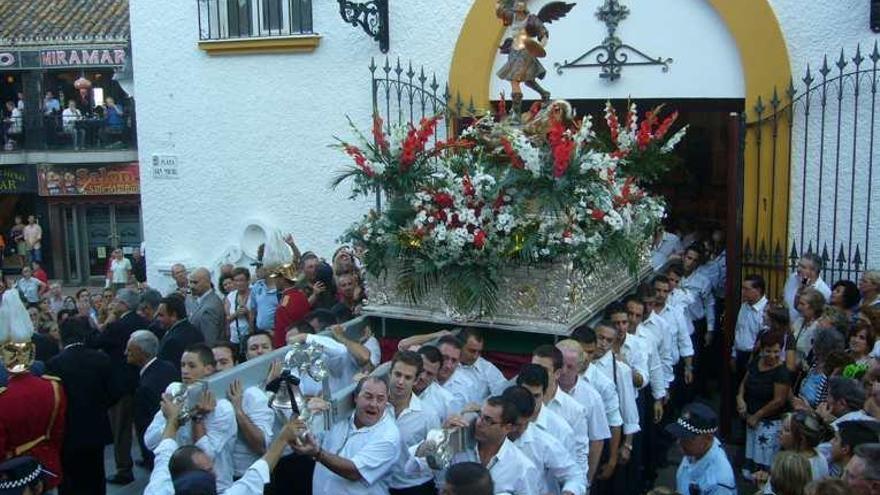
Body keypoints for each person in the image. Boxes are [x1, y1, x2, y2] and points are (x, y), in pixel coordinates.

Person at [144, 396, 302, 495]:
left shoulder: (159, 488)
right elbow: (256, 475)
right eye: (208, 471)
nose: (215, 473)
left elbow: (165, 451)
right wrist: (283, 437)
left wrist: (173, 420)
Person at [144, 344, 238, 492]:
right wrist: (173, 420)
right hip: (179, 486)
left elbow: (206, 457)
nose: (185, 371)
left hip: (216, 487)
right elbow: (149, 441)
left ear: (208, 369)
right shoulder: (175, 394)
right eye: (182, 365)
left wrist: (197, 419)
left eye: (192, 366)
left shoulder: (222, 408)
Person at [0, 289, 66, 490]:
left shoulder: (3, 398)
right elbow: (58, 434)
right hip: (49, 466)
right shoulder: (53, 387)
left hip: (14, 474)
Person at [291, 375, 401, 494]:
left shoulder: (389, 436)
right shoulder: (338, 417)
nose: (373, 404)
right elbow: (301, 439)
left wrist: (318, 454)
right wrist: (305, 413)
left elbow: (354, 472)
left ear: (386, 402)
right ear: (355, 397)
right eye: (368, 397)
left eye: (380, 399)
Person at [46, 317, 120, 495]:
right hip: (95, 428)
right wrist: (100, 406)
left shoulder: (55, 363)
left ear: (62, 337)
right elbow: (115, 392)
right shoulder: (100, 359)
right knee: (95, 476)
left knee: (70, 480)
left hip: (68, 431)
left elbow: (53, 400)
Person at [93, 288, 149, 484]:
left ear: (124, 304)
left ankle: (124, 468)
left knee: (121, 429)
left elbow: (96, 341)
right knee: (142, 423)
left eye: (116, 301)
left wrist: (107, 321)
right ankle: (148, 457)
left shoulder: (117, 326)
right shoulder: (142, 321)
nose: (113, 304)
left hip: (121, 385)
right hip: (141, 380)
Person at [502, 385, 586, 495]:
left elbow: (575, 475)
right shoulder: (485, 434)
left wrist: (568, 492)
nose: (518, 429)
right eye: (514, 424)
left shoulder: (544, 442)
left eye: (523, 424)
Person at [209, 342, 276, 481]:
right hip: (216, 478)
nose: (218, 368)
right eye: (213, 363)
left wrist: (238, 410)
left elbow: (262, 446)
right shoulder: (205, 396)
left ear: (236, 363)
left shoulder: (253, 395)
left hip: (248, 477)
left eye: (223, 362)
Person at [738, 330, 792, 480]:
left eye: (776, 351)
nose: (772, 355)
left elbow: (779, 401)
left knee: (765, 456)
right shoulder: (756, 362)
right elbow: (744, 383)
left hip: (768, 422)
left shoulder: (781, 372)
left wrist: (757, 415)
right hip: (751, 418)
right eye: (768, 351)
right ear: (761, 350)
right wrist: (740, 398)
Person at [386, 351, 441, 495]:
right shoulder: (375, 406)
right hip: (379, 485)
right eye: (397, 374)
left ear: (416, 381)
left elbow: (437, 459)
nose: (401, 381)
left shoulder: (428, 415)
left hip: (414, 488)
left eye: (408, 377)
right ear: (389, 374)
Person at [128, 330, 177, 470]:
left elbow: (146, 425)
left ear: (141, 353)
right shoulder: (168, 366)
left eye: (130, 350)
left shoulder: (145, 386)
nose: (126, 353)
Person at [665, 402, 736, 495]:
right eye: (680, 436)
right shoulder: (695, 451)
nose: (679, 442)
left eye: (687, 438)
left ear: (708, 438)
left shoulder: (718, 482)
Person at [156, 295, 205, 378]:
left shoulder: (172, 341)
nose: (157, 319)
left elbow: (170, 372)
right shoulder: (194, 330)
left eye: (161, 315)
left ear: (174, 315)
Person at [270, 263, 310, 347]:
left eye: (276, 278)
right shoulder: (301, 295)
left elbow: (281, 333)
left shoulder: (284, 305)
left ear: (282, 279)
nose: (274, 281)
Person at [186, 267, 226, 345]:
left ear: (207, 282)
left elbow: (210, 341)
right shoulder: (206, 300)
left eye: (195, 282)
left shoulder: (210, 308)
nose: (191, 286)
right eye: (190, 282)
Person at [794, 288, 826, 367]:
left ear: (814, 307)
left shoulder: (818, 327)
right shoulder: (799, 321)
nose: (798, 307)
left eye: (802, 304)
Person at [223, 267, 252, 350]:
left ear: (248, 280)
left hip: (250, 335)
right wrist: (236, 314)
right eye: (236, 280)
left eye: (241, 280)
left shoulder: (254, 294)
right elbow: (227, 318)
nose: (239, 283)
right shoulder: (230, 296)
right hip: (235, 338)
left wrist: (247, 313)